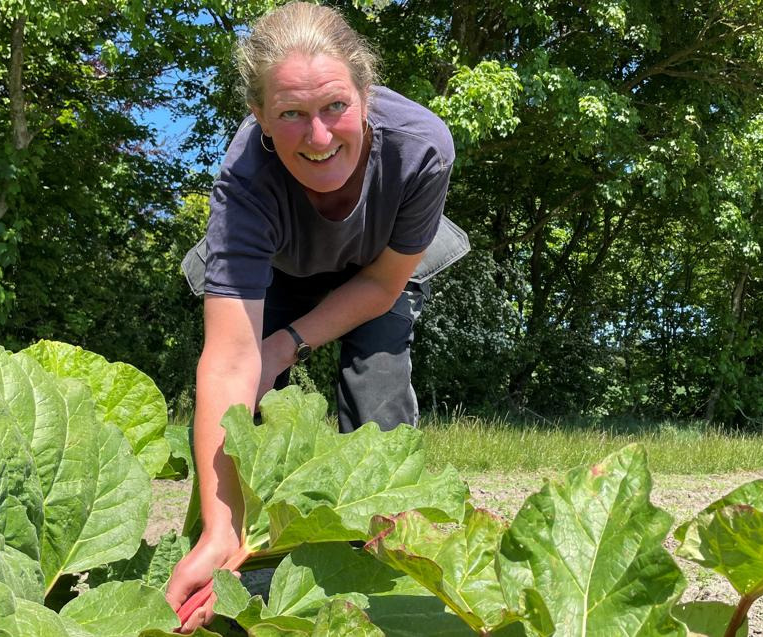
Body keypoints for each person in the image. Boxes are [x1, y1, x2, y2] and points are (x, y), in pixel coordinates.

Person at [166, 2, 469, 631]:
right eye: (291, 115)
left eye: (336, 106)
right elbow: (226, 357)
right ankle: (227, 558)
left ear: (366, 94)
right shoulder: (245, 181)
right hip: (275, 274)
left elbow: (385, 284)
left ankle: (383, 581)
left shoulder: (421, 148)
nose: (320, 135)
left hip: (372, 275)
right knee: (241, 405)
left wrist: (289, 345)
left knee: (380, 410)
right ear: (260, 118)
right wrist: (222, 527)